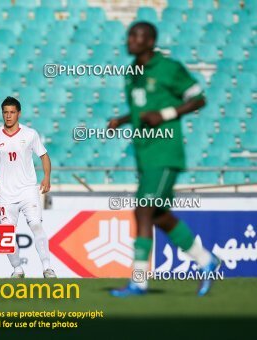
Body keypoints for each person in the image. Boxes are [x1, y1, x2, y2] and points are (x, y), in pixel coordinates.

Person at [107, 22, 220, 297]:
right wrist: (122, 120)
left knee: (143, 209)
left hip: (165, 152)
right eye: (130, 34)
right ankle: (207, 261)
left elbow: (199, 98)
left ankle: (138, 281)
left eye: (137, 36)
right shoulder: (131, 73)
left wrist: (166, 114)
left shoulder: (169, 67)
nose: (131, 40)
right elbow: (142, 108)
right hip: (145, 154)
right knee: (158, 215)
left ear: (151, 41)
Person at [0, 96, 56, 278]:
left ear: (19, 114)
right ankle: (17, 269)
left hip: (28, 190)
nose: (8, 116)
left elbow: (44, 156)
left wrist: (46, 177)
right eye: (5, 112)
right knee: (6, 235)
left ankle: (47, 267)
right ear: (2, 114)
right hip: (6, 193)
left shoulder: (30, 134)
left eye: (12, 112)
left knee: (36, 225)